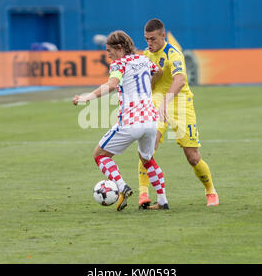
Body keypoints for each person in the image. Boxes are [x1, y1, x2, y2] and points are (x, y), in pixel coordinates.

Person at [73, 30, 169, 211]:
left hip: (131, 121)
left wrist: (87, 98)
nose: (108, 55)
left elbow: (111, 85)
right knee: (147, 159)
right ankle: (163, 200)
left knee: (100, 155)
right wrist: (148, 86)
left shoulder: (119, 65)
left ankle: (121, 186)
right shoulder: (144, 60)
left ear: (119, 48)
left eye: (109, 51)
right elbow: (159, 71)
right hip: (150, 121)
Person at [137, 18, 219, 209]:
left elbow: (180, 80)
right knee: (147, 149)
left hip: (181, 103)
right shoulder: (146, 55)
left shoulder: (173, 53)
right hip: (157, 103)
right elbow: (147, 85)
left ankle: (210, 191)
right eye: (146, 39)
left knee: (192, 157)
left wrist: (165, 102)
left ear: (163, 36)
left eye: (153, 39)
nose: (149, 43)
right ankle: (143, 194)